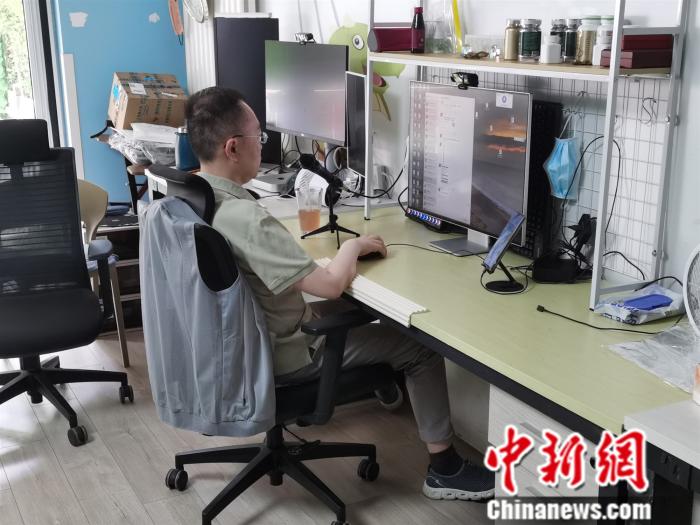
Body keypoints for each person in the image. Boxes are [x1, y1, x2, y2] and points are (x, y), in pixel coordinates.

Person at [185, 86, 495, 501]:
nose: (263, 142)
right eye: (259, 135)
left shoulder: (194, 197)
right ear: (233, 147)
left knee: (348, 310)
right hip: (283, 355)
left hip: (236, 346)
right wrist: (353, 246)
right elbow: (330, 284)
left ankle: (383, 384)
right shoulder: (243, 217)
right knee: (418, 346)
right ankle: (445, 469)